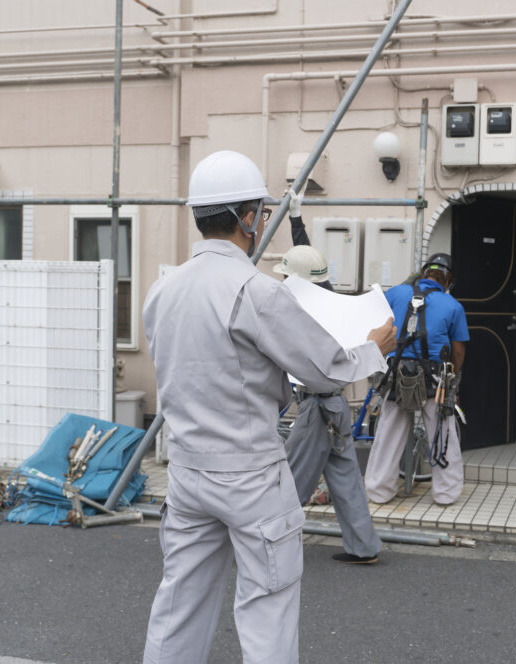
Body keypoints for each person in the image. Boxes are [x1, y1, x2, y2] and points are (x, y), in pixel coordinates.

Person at [141, 150, 396, 663]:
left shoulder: (161, 290)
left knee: (179, 604)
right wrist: (373, 348)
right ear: (250, 218)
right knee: (267, 610)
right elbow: (321, 368)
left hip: (188, 472)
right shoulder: (254, 291)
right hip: (251, 473)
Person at [273, 188, 384, 565]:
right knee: (346, 479)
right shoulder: (332, 300)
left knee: (289, 481)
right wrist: (295, 219)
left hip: (315, 410)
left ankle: (270, 546)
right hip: (338, 409)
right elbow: (306, 261)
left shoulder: (303, 314)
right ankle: (364, 547)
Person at [365, 253, 469, 506]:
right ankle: (446, 494)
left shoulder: (397, 293)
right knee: (442, 433)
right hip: (434, 379)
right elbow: (458, 351)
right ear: (448, 280)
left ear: (424, 273)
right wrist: (453, 376)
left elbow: (378, 327)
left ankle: (379, 490)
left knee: (389, 432)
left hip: (395, 374)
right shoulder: (453, 306)